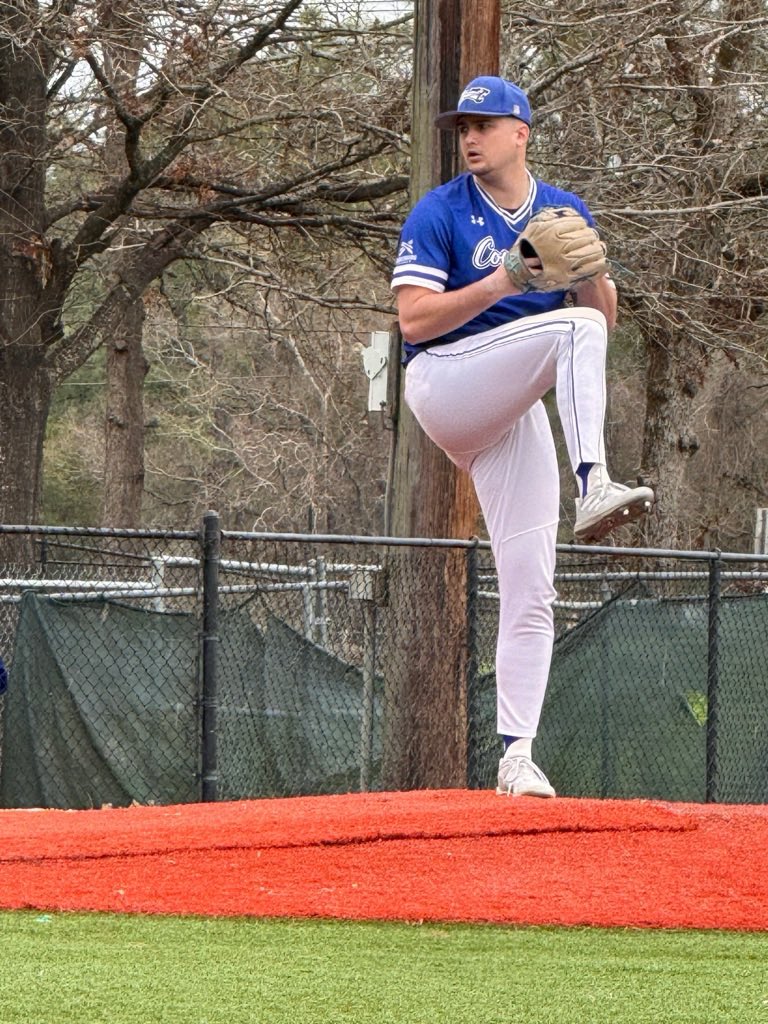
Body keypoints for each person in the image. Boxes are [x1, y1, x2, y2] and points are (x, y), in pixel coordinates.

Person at [390, 76, 653, 798]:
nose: (470, 137)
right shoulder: (441, 210)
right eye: (463, 127)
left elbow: (602, 320)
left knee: (533, 585)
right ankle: (593, 484)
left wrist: (593, 274)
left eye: (484, 124)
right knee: (572, 329)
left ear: (521, 133)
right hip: (445, 382)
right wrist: (506, 278)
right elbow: (413, 321)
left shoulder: (561, 209)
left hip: (509, 407)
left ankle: (516, 757)